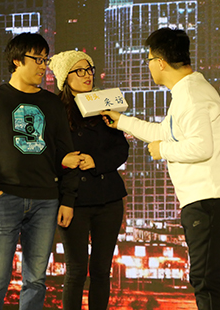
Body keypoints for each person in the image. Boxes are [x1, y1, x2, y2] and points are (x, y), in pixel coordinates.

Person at [101, 28, 220, 310]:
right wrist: (122, 121)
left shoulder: (191, 94)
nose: (148, 66)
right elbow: (164, 131)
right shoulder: (188, 91)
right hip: (210, 199)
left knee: (207, 280)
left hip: (210, 200)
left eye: (148, 60)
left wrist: (162, 151)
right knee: (207, 279)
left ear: (160, 62)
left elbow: (200, 147)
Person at [0, 33, 83, 310]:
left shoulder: (52, 104)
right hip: (5, 197)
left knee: (35, 280)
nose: (44, 66)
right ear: (17, 61)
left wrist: (67, 199)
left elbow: (66, 155)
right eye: (37, 59)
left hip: (46, 200)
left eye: (45, 60)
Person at [48, 50, 129, 310]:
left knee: (101, 270)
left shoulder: (103, 104)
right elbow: (46, 155)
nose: (87, 75)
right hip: (73, 201)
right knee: (76, 271)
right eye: (80, 70)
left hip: (109, 199)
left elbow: (121, 149)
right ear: (65, 77)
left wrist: (96, 161)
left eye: (90, 69)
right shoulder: (54, 110)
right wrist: (64, 162)